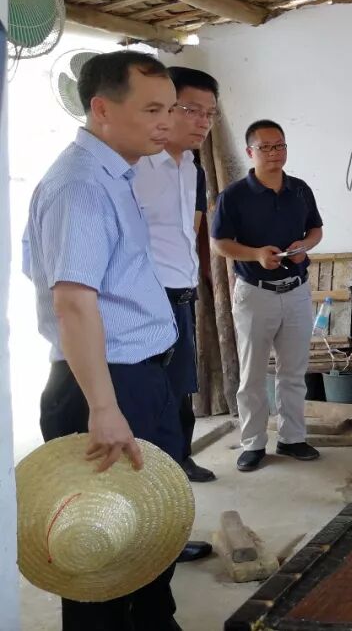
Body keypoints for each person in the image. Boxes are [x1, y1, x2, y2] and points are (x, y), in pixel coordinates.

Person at [23, 50, 184, 630]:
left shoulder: (115, 175)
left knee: (148, 533)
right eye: (152, 109)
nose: (166, 122)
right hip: (107, 383)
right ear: (102, 109)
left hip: (137, 375)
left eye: (170, 109)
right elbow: (73, 302)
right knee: (102, 550)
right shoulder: (80, 186)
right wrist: (105, 407)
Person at [211, 120, 324, 473]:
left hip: (296, 291)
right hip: (255, 294)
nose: (275, 153)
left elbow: (316, 229)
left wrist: (305, 246)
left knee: (293, 372)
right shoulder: (234, 196)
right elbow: (219, 243)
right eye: (266, 147)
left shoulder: (300, 190)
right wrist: (256, 255)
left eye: (280, 146)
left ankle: (292, 438)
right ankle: (253, 444)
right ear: (250, 152)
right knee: (253, 375)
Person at [134, 67, 218, 488]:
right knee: (151, 395)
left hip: (182, 295)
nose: (203, 121)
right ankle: (153, 482)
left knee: (181, 387)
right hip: (148, 299)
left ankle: (180, 461)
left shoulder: (191, 169)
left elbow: (192, 229)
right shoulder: (137, 168)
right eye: (192, 110)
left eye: (210, 113)